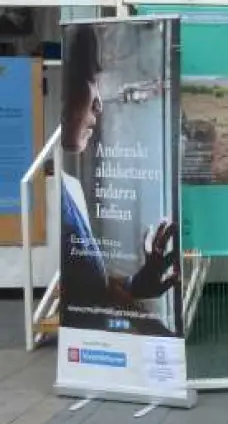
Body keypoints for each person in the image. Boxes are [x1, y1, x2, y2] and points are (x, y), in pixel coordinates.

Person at [60, 23, 178, 336]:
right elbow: (90, 298)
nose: (99, 104)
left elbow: (93, 289)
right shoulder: (58, 199)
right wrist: (160, 334)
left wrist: (137, 283)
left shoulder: (71, 189)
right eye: (89, 79)